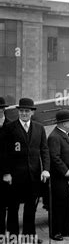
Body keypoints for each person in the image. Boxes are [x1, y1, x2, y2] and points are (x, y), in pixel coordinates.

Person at [2, 98, 50, 243]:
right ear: (18, 112)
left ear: (32, 112)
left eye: (27, 111)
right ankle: (12, 236)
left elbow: (44, 150)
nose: (24, 113)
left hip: (33, 175)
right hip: (15, 176)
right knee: (13, 207)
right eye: (21, 111)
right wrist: (6, 172)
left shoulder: (39, 128)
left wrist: (46, 169)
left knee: (31, 207)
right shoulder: (10, 128)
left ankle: (29, 236)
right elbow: (4, 152)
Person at [47, 109, 69, 241]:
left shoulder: (66, 134)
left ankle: (68, 229)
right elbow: (54, 157)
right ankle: (55, 232)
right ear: (63, 123)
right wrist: (65, 170)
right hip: (60, 179)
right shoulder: (54, 137)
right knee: (59, 205)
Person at [0, 97, 11, 235]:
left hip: (7, 173)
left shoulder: (10, 126)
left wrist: (7, 172)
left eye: (1, 108)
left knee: (4, 205)